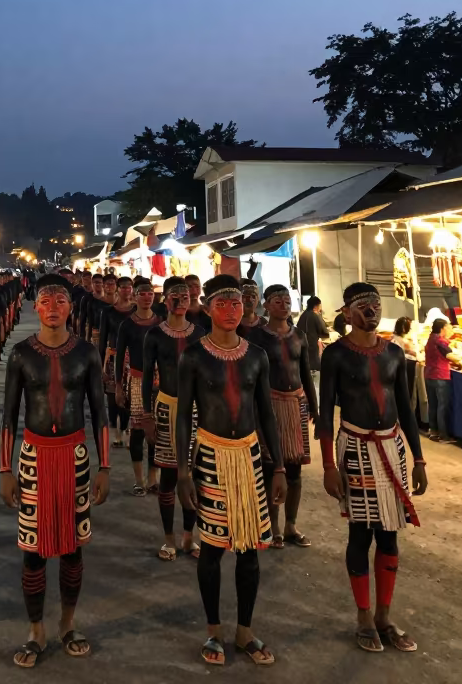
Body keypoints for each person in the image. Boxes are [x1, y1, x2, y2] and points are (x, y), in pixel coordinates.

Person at [0, 274, 110, 668]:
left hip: (75, 458)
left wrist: (105, 466)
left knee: (73, 549)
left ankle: (67, 622)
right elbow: (9, 418)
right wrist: (5, 469)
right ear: (36, 305)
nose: (51, 307)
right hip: (33, 459)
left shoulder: (86, 353)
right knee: (33, 551)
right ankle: (35, 629)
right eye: (45, 300)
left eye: (59, 300)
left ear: (70, 307)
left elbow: (100, 412)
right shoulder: (20, 354)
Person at [177, 275, 285, 666]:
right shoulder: (193, 356)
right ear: (206, 308)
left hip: (250, 458)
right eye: (222, 304)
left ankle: (245, 631)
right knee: (213, 548)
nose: (231, 311)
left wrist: (277, 467)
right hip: (210, 456)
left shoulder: (257, 355)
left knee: (251, 550)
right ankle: (213, 631)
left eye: (237, 303)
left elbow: (267, 414)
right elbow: (182, 418)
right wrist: (184, 471)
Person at [319, 282, 427, 654]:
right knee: (360, 533)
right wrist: (328, 466)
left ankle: (384, 617)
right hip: (356, 449)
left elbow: (407, 411)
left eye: (376, 305)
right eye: (363, 306)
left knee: (390, 535)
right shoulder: (335, 355)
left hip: (392, 449)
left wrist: (418, 458)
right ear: (347, 313)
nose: (372, 312)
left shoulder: (395, 354)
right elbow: (324, 413)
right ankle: (363, 617)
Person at [142, 276, 204, 560]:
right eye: (174, 296)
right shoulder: (155, 335)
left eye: (185, 295)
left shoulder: (200, 333)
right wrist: (147, 414)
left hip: (197, 411)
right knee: (168, 475)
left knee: (195, 474)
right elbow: (146, 378)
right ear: (164, 300)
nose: (181, 300)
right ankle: (169, 538)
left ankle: (190, 537)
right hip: (166, 408)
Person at [255, 284, 318, 548]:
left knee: (295, 471)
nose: (284, 304)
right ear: (266, 305)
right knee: (271, 468)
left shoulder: (299, 336)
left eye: (286, 299)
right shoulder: (257, 338)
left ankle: (291, 524)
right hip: (269, 407)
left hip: (296, 406)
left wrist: (314, 406)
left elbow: (305, 372)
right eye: (277, 300)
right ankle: (273, 526)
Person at [115, 276, 160, 494]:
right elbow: (119, 355)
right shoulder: (127, 324)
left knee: (157, 432)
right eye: (142, 294)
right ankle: (139, 479)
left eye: (150, 293)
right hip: (136, 379)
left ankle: (153, 478)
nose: (146, 297)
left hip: (159, 382)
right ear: (135, 296)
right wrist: (117, 385)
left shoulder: (161, 322)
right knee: (138, 430)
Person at [98, 275, 132, 449]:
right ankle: (115, 431)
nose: (126, 290)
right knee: (112, 397)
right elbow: (102, 340)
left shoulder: (136, 311)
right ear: (118, 289)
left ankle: (126, 429)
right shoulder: (108, 312)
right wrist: (100, 366)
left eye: (129, 287)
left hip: (131, 359)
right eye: (123, 287)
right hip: (111, 358)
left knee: (128, 396)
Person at [424, 317, 453, 443]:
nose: (450, 329)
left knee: (433, 405)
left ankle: (434, 431)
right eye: (448, 326)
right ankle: (444, 436)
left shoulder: (431, 338)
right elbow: (449, 355)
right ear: (443, 328)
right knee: (442, 406)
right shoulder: (440, 341)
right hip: (440, 375)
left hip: (429, 375)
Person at [296, 295, 329, 395]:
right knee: (315, 381)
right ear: (316, 306)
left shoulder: (303, 315)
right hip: (312, 350)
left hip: (301, 349)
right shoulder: (315, 316)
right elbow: (324, 333)